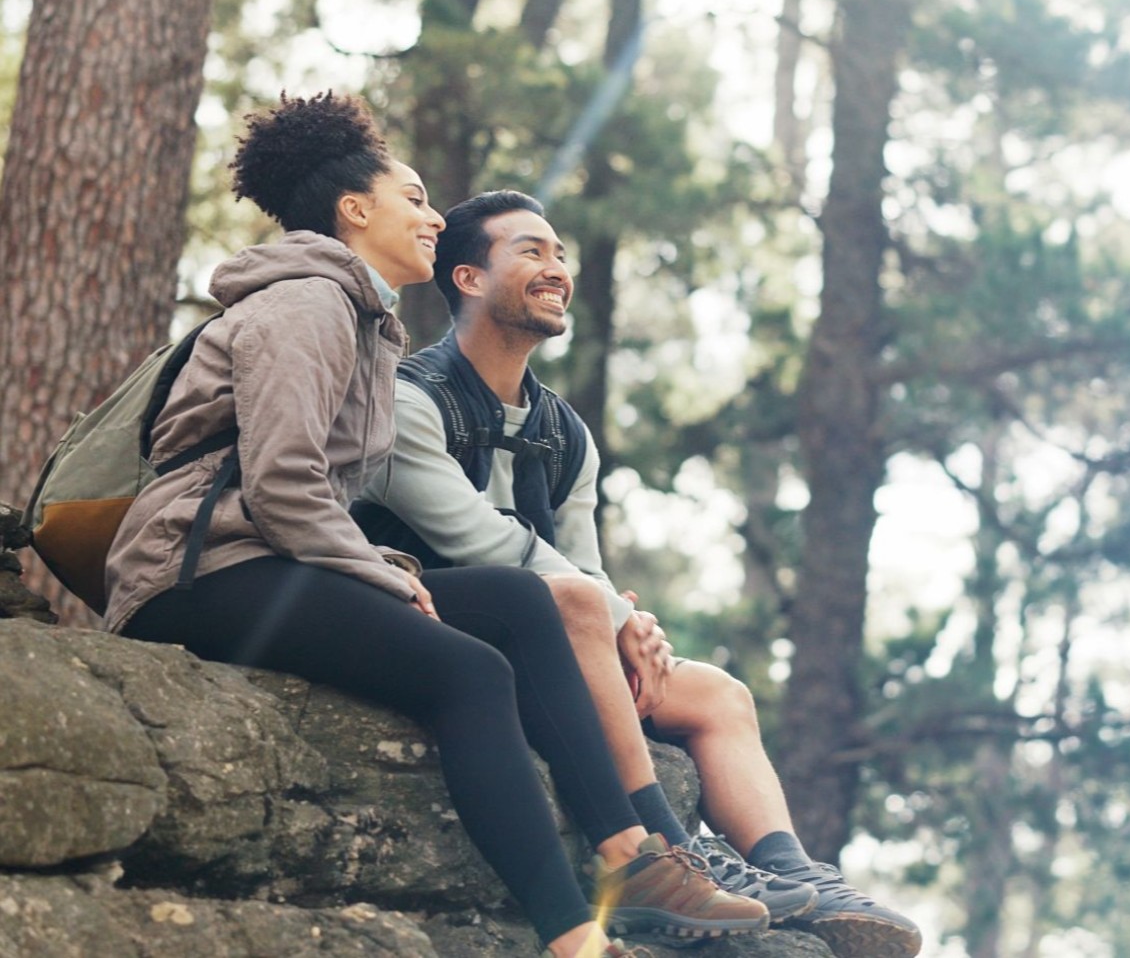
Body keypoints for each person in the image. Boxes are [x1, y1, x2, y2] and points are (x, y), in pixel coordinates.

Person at [100, 94, 769, 958]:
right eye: (413, 198)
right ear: (355, 210)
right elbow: (283, 487)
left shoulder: (363, 320)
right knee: (469, 673)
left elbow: (307, 502)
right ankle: (573, 936)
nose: (433, 216)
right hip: (196, 571)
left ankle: (632, 856)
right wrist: (387, 577)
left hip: (258, 557)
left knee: (519, 602)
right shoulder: (306, 303)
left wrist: (383, 567)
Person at [352, 188, 924, 958]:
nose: (556, 268)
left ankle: (796, 876)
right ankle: (659, 853)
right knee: (579, 604)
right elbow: (478, 539)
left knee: (718, 693)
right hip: (433, 619)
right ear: (468, 278)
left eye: (560, 253)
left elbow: (582, 562)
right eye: (530, 251)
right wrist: (618, 620)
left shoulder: (563, 432)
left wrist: (634, 634)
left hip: (553, 636)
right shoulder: (408, 398)